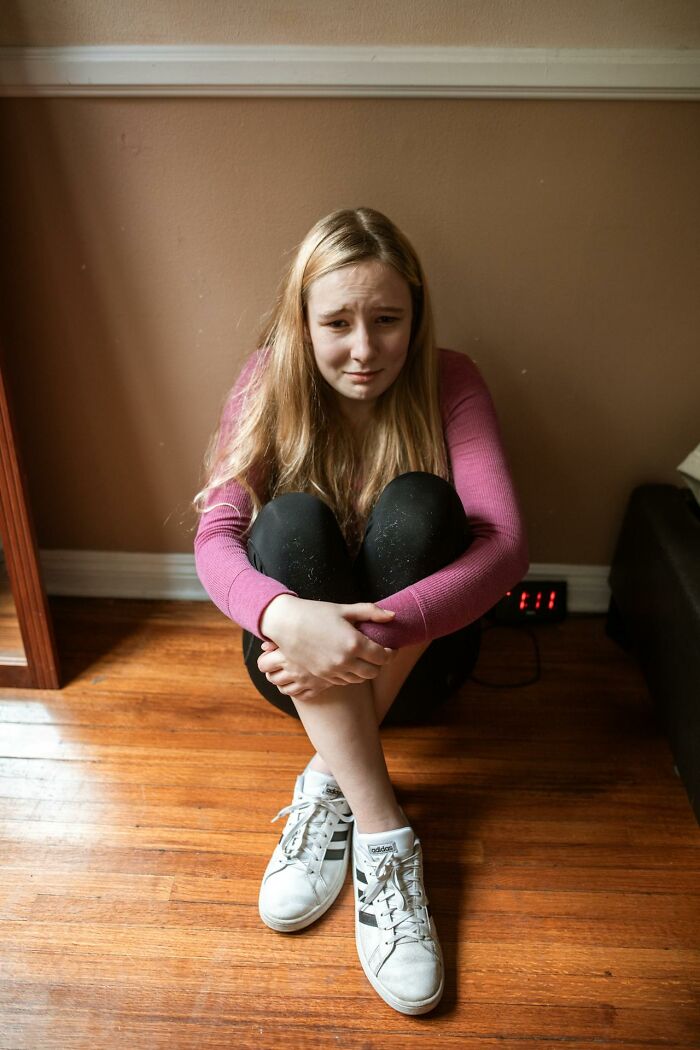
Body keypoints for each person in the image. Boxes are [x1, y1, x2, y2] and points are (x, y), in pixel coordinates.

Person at [193, 207, 528, 1016]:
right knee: (287, 520)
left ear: (416, 312)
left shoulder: (451, 379)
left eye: (387, 320)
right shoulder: (267, 376)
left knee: (423, 505)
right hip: (291, 659)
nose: (365, 347)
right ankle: (383, 833)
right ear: (301, 321)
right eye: (337, 322)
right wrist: (283, 617)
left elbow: (507, 546)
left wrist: (367, 630)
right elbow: (217, 536)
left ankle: (327, 781)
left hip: (422, 663)